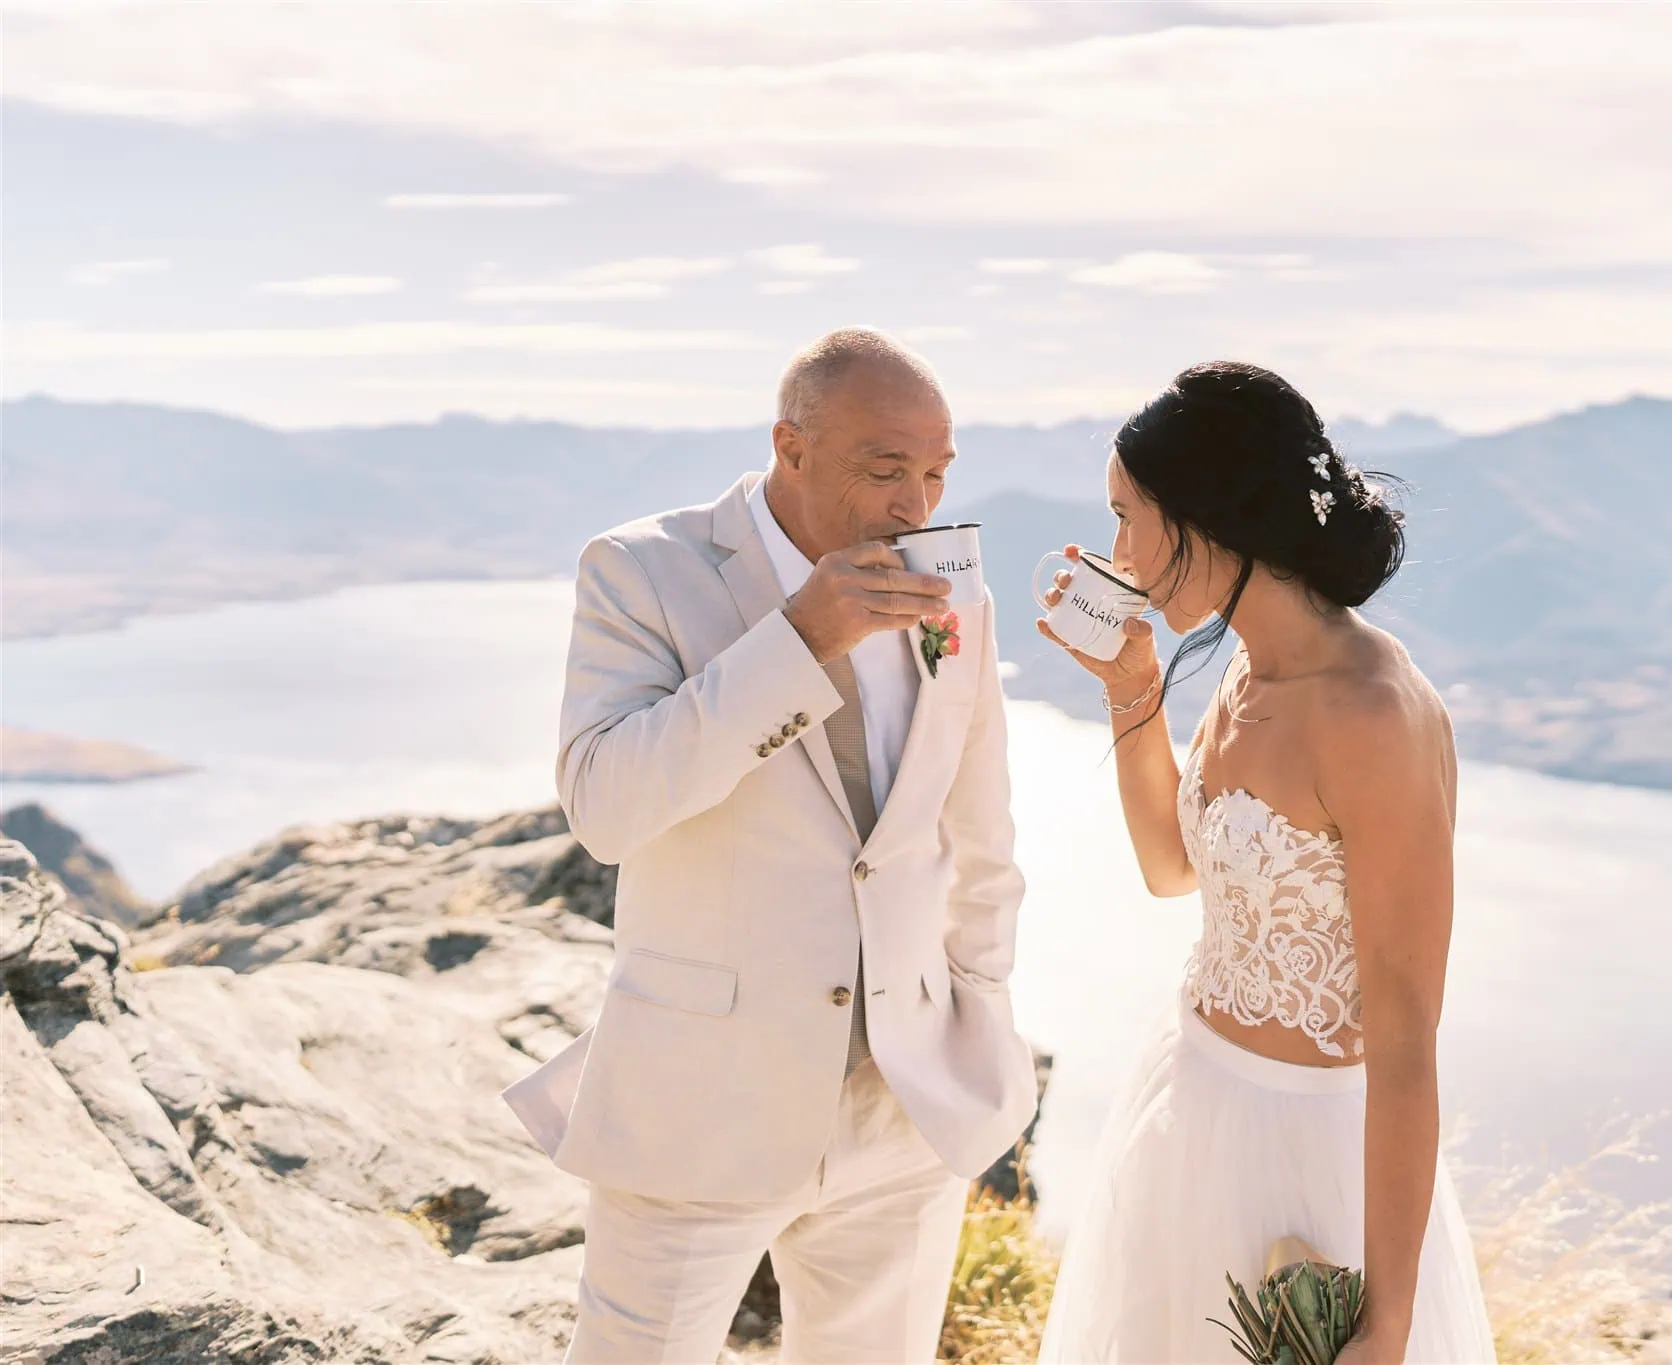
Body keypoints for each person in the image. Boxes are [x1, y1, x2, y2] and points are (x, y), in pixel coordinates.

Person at [502, 328, 1039, 1364]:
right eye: (885, 470)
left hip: (903, 1107)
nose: (916, 506)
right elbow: (605, 806)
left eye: (935, 473)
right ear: (790, 446)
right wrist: (797, 642)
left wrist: (979, 1009)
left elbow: (981, 828)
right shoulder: (641, 570)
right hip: (698, 1108)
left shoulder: (953, 587)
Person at [1034, 362, 1496, 1364]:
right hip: (1186, 1098)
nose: (1117, 553)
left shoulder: (1372, 714)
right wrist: (1130, 688)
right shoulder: (1249, 664)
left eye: (1127, 517)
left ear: (1208, 515)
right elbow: (1171, 869)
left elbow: (1406, 1042)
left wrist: (1388, 1324)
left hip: (1307, 1164)